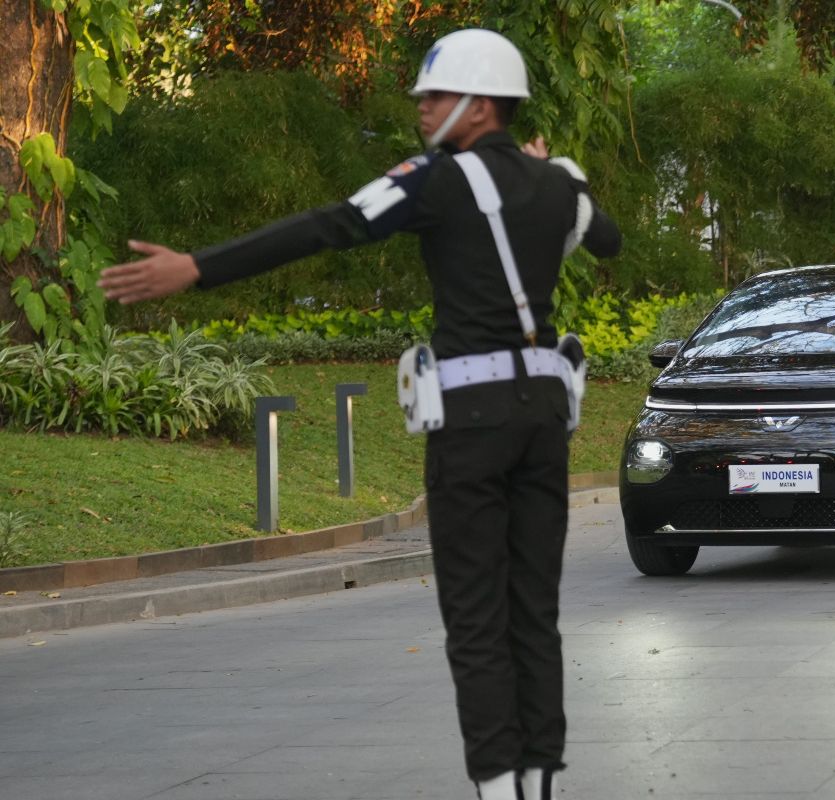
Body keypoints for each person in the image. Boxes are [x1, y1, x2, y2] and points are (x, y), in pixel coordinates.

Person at [96, 28, 619, 800]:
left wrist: (197, 267)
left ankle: (500, 793)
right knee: (532, 613)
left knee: (477, 618)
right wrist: (552, 170)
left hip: (471, 420)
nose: (422, 108)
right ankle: (537, 788)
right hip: (544, 413)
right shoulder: (562, 186)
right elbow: (607, 240)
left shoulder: (433, 180)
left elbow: (329, 225)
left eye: (435, 96)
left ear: (480, 107)